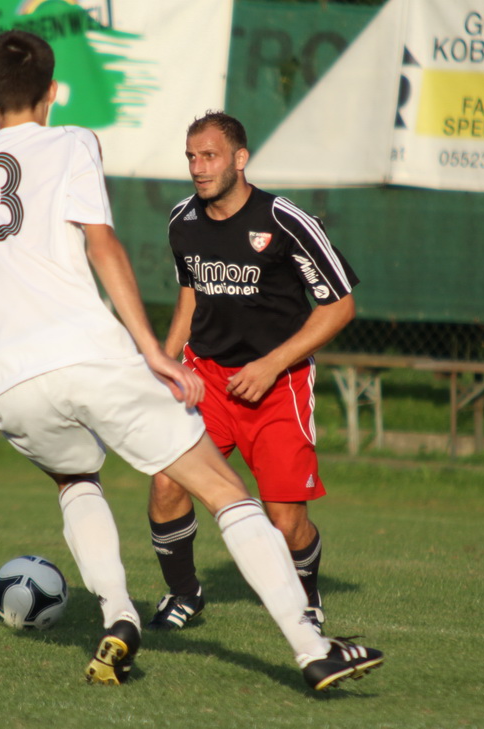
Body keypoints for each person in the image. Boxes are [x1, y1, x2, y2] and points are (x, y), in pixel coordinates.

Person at [0, 30, 382, 691]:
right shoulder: (73, 141)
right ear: (52, 91)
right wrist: (152, 352)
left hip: (0, 378)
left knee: (75, 481)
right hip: (86, 352)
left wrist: (3, 342)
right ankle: (312, 649)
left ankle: (118, 615)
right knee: (223, 490)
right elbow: (103, 246)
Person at [146, 111, 358, 636]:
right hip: (206, 379)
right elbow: (190, 298)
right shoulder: (182, 221)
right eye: (191, 157)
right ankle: (184, 593)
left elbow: (339, 306)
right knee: (167, 481)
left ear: (240, 159)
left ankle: (306, 598)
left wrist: (270, 364)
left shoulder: (285, 221)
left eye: (210, 156)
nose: (198, 167)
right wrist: (166, 366)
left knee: (285, 520)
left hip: (277, 385)